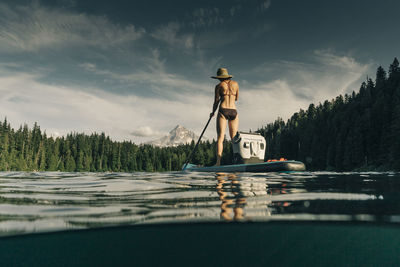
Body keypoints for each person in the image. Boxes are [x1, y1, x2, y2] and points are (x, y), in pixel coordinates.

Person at [210, 68, 239, 166]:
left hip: (223, 110)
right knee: (234, 138)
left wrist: (212, 112)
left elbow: (216, 101)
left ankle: (218, 162)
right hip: (234, 111)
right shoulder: (236, 84)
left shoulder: (218, 86)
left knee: (220, 137)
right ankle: (236, 161)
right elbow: (237, 98)